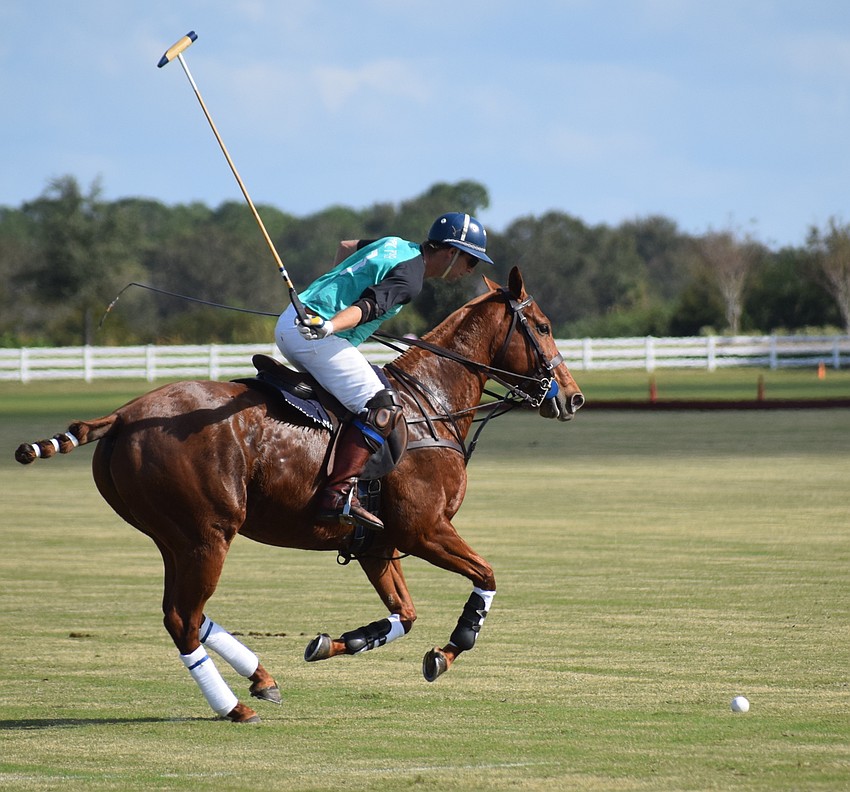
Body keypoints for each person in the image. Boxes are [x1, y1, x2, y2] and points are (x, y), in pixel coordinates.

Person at [275, 212, 494, 531]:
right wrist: (330, 324)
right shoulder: (410, 278)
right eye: (470, 262)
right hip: (315, 335)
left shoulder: (395, 244)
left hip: (296, 321)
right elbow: (367, 307)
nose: (469, 271)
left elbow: (347, 246)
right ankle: (338, 494)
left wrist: (333, 294)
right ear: (451, 253)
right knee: (384, 406)